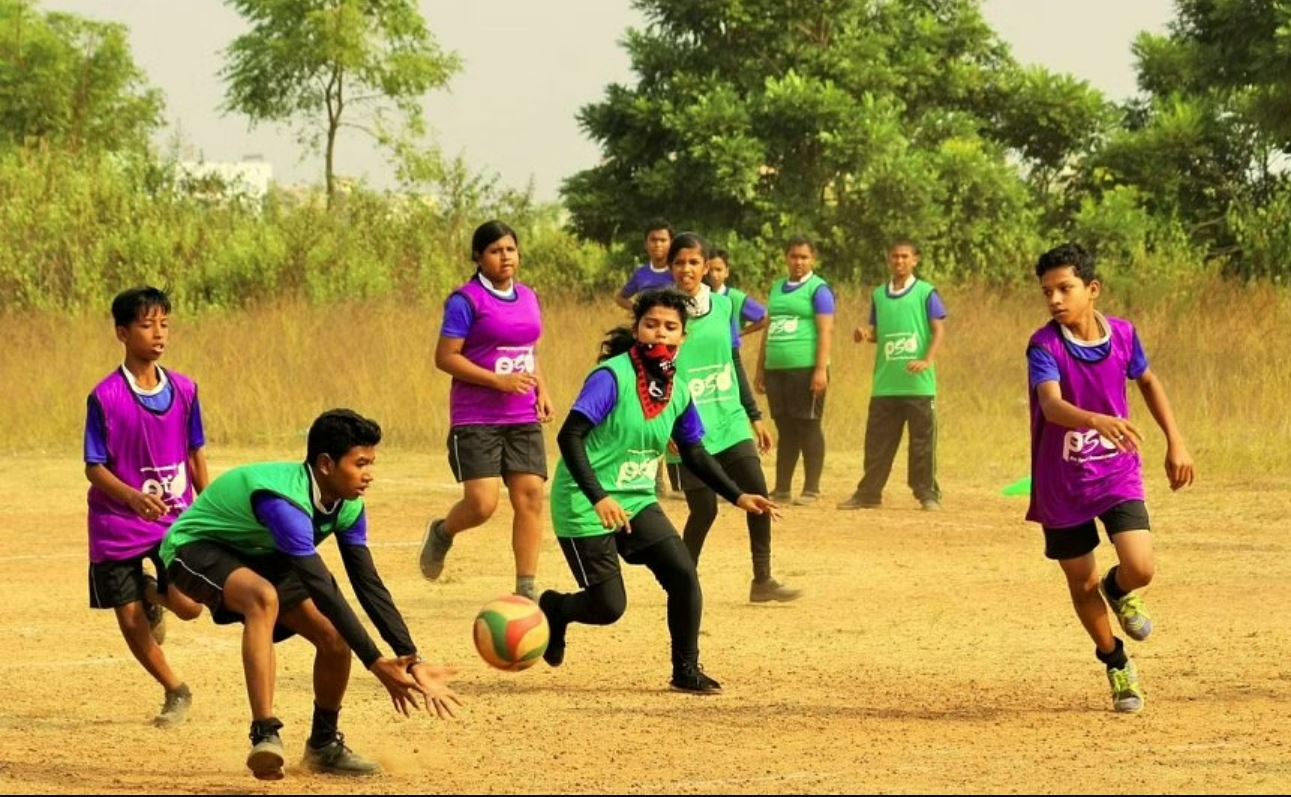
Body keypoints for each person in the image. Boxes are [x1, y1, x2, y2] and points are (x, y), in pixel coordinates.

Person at [160, 410, 462, 779]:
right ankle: (264, 733)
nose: (369, 474)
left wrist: (410, 658)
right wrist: (375, 663)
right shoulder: (283, 503)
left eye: (371, 463)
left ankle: (323, 746)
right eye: (360, 463)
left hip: (264, 554)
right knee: (262, 598)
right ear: (325, 464)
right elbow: (323, 587)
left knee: (335, 639)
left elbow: (367, 583)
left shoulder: (349, 505)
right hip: (196, 547)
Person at [538, 289, 779, 694]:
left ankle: (686, 670)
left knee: (684, 574)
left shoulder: (678, 390)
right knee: (608, 607)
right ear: (637, 329)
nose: (660, 335)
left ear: (683, 337)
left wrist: (738, 495)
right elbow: (569, 437)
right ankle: (556, 608)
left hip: (635, 498)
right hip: (585, 499)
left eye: (670, 328)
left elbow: (695, 453)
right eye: (651, 325)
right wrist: (599, 497)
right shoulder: (611, 377)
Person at [1026, 243, 1195, 713]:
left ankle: (1119, 591)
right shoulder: (1045, 345)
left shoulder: (1122, 334)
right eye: (1047, 292)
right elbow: (1051, 405)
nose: (1055, 300)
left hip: (1115, 470)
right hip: (1061, 482)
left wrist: (1175, 441)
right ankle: (1116, 661)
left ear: (1092, 290)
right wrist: (1098, 420)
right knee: (1081, 581)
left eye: (1065, 288)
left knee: (1140, 566)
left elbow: (1148, 381)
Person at [84, 286, 207, 728]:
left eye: (164, 324)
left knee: (191, 606)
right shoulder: (105, 397)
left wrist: (206, 508)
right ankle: (176, 690)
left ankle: (153, 594)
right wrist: (133, 497)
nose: (158, 333)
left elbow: (195, 453)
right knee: (130, 617)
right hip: (117, 523)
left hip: (175, 520)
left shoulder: (187, 390)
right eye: (146, 324)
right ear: (122, 332)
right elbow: (94, 468)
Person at [418, 221, 553, 601]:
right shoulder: (467, 301)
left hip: (522, 415)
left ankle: (526, 590)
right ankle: (443, 532)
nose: (505, 257)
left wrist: (542, 388)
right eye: (495, 251)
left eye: (510, 249)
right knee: (482, 504)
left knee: (530, 496)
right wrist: (497, 381)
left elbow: (529, 351)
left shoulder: (529, 296)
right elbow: (445, 358)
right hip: (476, 416)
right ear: (479, 257)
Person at [665, 233, 800, 603]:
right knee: (704, 510)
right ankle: (682, 580)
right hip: (689, 428)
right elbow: (653, 371)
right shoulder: (665, 312)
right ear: (671, 267)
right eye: (679, 263)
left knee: (758, 491)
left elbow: (733, 360)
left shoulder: (724, 307)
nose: (686, 269)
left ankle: (763, 580)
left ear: (707, 267)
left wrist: (755, 416)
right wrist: (664, 426)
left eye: (694, 262)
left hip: (729, 417)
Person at [839, 240, 948, 511]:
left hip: (918, 386)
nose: (899, 261)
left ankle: (927, 494)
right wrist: (866, 334)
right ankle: (869, 494)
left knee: (922, 443)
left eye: (904, 257)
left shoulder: (925, 293)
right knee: (877, 444)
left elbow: (938, 330)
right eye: (894, 257)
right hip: (886, 385)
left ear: (915, 260)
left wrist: (927, 360)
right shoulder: (878, 295)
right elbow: (879, 331)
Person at [755, 236, 836, 505]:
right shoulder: (778, 288)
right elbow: (769, 329)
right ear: (786, 258)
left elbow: (826, 330)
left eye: (804, 257)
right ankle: (781, 488)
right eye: (793, 256)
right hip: (776, 370)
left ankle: (811, 489)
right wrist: (760, 369)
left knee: (808, 425)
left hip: (806, 369)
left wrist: (820, 369)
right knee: (786, 428)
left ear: (813, 259)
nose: (798, 262)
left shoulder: (818, 289)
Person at [704, 248, 769, 337]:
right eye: (710, 270)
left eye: (718, 270)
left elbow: (765, 318)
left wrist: (740, 332)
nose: (713, 274)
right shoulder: (702, 296)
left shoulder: (735, 298)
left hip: (730, 349)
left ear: (726, 272)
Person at [614, 219, 675, 311]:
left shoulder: (678, 271)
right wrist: (638, 310)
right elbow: (620, 298)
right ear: (646, 244)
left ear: (671, 243)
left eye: (663, 240)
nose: (658, 244)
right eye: (653, 240)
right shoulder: (641, 273)